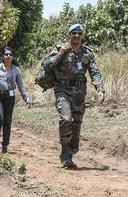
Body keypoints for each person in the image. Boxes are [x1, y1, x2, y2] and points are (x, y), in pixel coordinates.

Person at [41, 23, 105, 169]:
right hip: (62, 89)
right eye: (74, 33)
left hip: (79, 93)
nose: (77, 36)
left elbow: (94, 71)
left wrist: (100, 89)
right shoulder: (60, 49)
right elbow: (46, 66)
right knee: (66, 118)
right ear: (69, 35)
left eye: (79, 34)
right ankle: (64, 154)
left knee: (75, 127)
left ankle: (69, 155)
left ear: (82, 36)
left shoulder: (87, 53)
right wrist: (59, 55)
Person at [0, 47, 32, 153]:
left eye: (10, 54)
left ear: (13, 57)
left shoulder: (16, 70)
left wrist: (27, 99)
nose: (8, 56)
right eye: (6, 54)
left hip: (10, 97)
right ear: (2, 56)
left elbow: (21, 86)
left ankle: (5, 145)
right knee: (0, 119)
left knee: (7, 121)